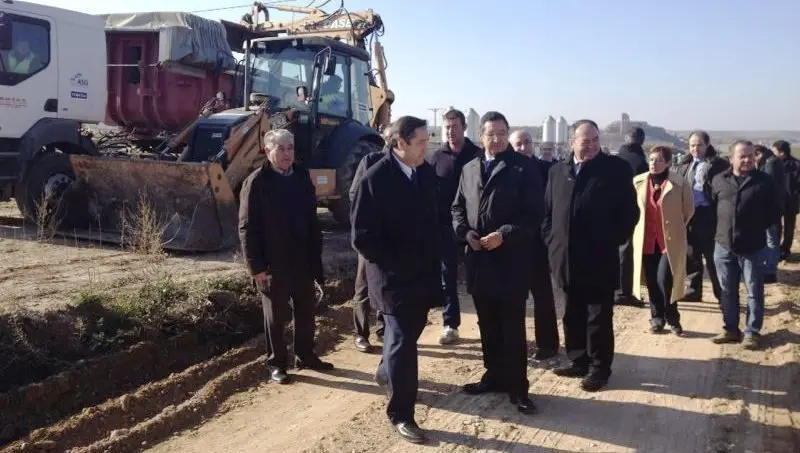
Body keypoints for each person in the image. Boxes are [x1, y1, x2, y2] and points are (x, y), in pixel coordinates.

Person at [350, 115, 443, 444]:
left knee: (410, 332)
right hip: (393, 279)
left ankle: (387, 369)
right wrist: (394, 262)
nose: (426, 148)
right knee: (404, 342)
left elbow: (435, 219)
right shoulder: (375, 179)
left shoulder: (425, 173)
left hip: (423, 274)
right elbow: (362, 236)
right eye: (420, 142)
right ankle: (402, 413)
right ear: (400, 143)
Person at [453, 112, 543, 413]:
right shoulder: (468, 169)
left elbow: (534, 216)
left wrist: (505, 235)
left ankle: (518, 388)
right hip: (478, 260)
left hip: (510, 261)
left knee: (512, 328)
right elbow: (457, 208)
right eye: (491, 134)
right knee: (487, 325)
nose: (497, 139)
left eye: (502, 133)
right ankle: (494, 375)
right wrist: (465, 233)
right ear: (481, 136)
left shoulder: (523, 168)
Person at [543, 119, 639, 392]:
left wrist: (612, 240)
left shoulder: (615, 169)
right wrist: (551, 242)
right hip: (565, 258)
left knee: (598, 317)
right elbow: (548, 213)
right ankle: (578, 359)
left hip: (599, 257)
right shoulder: (558, 171)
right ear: (572, 142)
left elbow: (630, 213)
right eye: (586, 141)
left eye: (595, 140)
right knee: (571, 312)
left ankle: (599, 368)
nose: (592, 145)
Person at [238, 129, 334, 385]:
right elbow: (247, 228)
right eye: (280, 148)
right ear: (267, 152)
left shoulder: (302, 177)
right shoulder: (257, 183)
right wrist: (256, 267)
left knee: (306, 311)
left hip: (302, 259)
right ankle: (277, 364)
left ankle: (305, 354)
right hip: (273, 263)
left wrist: (316, 258)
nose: (287, 153)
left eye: (290, 148)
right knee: (276, 316)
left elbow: (313, 221)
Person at [710, 140, 779, 350]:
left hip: (753, 246)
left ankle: (752, 332)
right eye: (743, 156)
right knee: (727, 290)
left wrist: (756, 227)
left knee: (753, 290)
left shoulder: (765, 182)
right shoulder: (719, 180)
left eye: (751, 155)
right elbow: (713, 206)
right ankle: (731, 329)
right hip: (723, 246)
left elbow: (774, 212)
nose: (749, 159)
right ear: (731, 158)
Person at [427, 108, 481, 345]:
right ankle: (451, 324)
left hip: (473, 227)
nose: (450, 132)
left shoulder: (477, 155)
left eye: (454, 127)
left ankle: (485, 321)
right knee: (447, 277)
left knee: (478, 276)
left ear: (464, 128)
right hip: (444, 228)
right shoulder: (437, 157)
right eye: (446, 127)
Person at [631, 146, 694, 335]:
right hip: (647, 240)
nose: (654, 163)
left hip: (669, 241)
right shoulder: (638, 182)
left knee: (665, 279)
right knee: (651, 281)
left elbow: (688, 210)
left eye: (659, 160)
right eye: (651, 159)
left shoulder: (679, 182)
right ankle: (657, 318)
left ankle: (673, 318)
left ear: (667, 162)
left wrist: (674, 226)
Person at [509, 129, 560, 360]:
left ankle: (547, 344)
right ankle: (514, 346)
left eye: (527, 142)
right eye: (518, 144)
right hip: (511, 244)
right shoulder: (506, 170)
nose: (523, 147)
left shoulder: (547, 170)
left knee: (543, 296)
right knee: (512, 299)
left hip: (539, 244)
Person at [675, 131, 729, 303]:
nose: (695, 148)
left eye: (699, 145)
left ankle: (722, 293)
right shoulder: (685, 164)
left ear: (707, 145)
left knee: (712, 256)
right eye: (692, 145)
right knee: (692, 255)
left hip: (709, 215)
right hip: (689, 215)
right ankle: (694, 290)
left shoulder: (717, 165)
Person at [349, 146, 389, 353]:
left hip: (391, 240)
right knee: (364, 285)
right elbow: (355, 193)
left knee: (386, 284)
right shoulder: (371, 161)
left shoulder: (406, 164)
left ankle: (383, 329)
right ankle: (360, 334)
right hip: (370, 237)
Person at [614, 127, 649, 307]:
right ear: (641, 140)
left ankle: (617, 289)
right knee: (627, 252)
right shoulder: (639, 160)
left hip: (612, 209)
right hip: (630, 209)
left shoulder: (617, 157)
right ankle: (624, 292)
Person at [754, 144, 786, 283]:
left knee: (771, 239)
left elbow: (767, 185)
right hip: (773, 206)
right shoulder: (772, 161)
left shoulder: (770, 163)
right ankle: (768, 268)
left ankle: (770, 271)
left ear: (759, 153)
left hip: (770, 208)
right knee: (770, 239)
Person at [773, 140, 799, 259]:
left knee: (789, 227)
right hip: (778, 201)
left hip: (790, 201)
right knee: (776, 227)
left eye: (775, 151)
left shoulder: (796, 165)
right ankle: (776, 249)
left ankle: (785, 250)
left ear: (781, 152)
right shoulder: (773, 164)